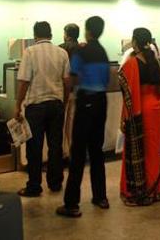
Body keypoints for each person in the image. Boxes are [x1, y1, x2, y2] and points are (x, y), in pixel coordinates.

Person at [57, 16, 110, 217]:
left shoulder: (82, 51)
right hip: (101, 102)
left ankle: (71, 204)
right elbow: (106, 79)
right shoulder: (103, 52)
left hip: (85, 101)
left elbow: (72, 77)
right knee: (97, 150)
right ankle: (100, 197)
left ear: (87, 31)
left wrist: (70, 94)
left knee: (78, 153)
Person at [16, 21, 70, 197]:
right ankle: (55, 183)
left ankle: (34, 185)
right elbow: (67, 81)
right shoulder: (62, 53)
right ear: (51, 34)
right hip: (56, 104)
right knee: (55, 145)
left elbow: (24, 81)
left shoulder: (29, 52)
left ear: (35, 35)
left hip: (36, 106)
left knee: (34, 147)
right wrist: (65, 100)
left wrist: (18, 105)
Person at [119, 28, 160, 206]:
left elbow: (128, 95)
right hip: (157, 106)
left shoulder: (132, 63)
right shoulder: (156, 60)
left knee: (139, 150)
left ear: (135, 41)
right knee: (154, 150)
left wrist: (124, 117)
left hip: (142, 108)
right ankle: (157, 189)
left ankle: (141, 191)